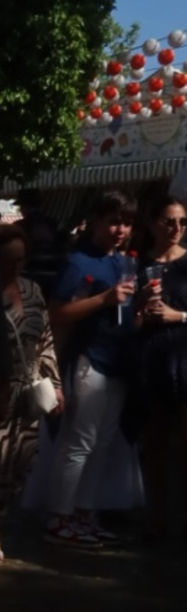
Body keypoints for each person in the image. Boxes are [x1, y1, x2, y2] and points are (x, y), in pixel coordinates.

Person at [45, 191, 136, 548]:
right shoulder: (79, 262)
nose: (120, 229)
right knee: (79, 442)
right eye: (114, 221)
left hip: (118, 362)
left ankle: (85, 513)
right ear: (96, 220)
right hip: (89, 360)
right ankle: (59, 516)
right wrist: (103, 299)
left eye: (126, 223)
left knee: (104, 443)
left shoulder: (122, 262)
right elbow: (57, 313)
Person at [0, 222, 61, 564]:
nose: (15, 267)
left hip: (28, 388)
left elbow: (45, 340)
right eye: (8, 260)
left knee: (19, 462)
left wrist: (56, 382)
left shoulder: (33, 291)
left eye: (21, 260)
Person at [125, 192, 187, 539]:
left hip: (183, 357)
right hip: (150, 357)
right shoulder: (139, 263)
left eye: (182, 222)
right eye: (170, 221)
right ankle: (156, 517)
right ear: (153, 224)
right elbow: (124, 313)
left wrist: (178, 315)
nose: (177, 228)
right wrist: (138, 309)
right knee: (155, 444)